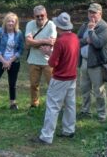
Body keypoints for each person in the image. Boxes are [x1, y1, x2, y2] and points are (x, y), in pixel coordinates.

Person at [34, 12, 80, 143]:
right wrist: (52, 53)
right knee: (70, 105)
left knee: (53, 106)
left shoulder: (60, 41)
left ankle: (46, 136)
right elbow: (67, 56)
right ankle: (69, 130)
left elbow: (52, 63)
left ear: (58, 27)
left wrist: (48, 53)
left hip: (60, 77)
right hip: (72, 76)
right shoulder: (75, 38)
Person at [76, 3, 107, 121]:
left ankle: (102, 114)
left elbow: (98, 43)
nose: (91, 15)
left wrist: (91, 30)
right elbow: (77, 41)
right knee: (84, 89)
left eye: (94, 12)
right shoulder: (84, 25)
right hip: (84, 62)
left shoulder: (104, 27)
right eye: (90, 12)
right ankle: (85, 111)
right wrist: (86, 40)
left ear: (100, 13)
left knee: (99, 91)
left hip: (97, 64)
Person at [0, 12, 24, 110]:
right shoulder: (0, 31)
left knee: (12, 83)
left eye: (13, 21)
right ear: (5, 22)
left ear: (16, 23)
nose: (10, 23)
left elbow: (20, 49)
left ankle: (13, 103)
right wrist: (4, 61)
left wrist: (10, 61)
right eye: (8, 21)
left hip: (13, 61)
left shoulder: (19, 33)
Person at [25, 5, 57, 109]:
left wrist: (35, 43)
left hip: (48, 61)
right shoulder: (30, 24)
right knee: (34, 85)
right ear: (34, 16)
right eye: (37, 16)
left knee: (52, 85)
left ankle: (53, 105)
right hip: (33, 60)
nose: (40, 18)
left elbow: (52, 42)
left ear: (46, 15)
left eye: (42, 15)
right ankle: (34, 105)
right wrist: (44, 41)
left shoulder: (51, 25)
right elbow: (28, 42)